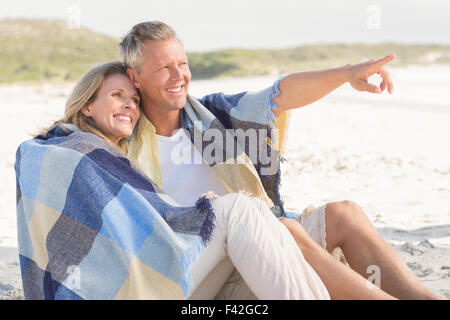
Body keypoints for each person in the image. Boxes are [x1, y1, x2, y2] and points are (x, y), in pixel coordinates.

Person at [119, 21, 441, 299]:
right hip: (202, 272)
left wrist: (347, 74)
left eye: (183, 63)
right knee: (285, 229)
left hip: (261, 255)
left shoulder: (210, 117)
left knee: (344, 215)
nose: (179, 76)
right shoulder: (119, 142)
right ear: (135, 78)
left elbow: (278, 95)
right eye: (164, 68)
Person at [15, 62, 332, 299]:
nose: (129, 104)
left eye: (135, 100)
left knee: (262, 231)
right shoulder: (66, 150)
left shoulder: (115, 152)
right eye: (116, 95)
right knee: (238, 210)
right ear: (87, 104)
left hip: (147, 279)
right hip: (113, 288)